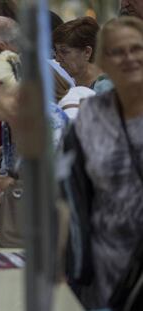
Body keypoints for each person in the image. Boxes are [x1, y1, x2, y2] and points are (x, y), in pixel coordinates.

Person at [68, 16, 143, 309]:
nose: (129, 58)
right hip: (104, 267)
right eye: (116, 51)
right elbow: (70, 193)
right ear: (103, 62)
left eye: (136, 48)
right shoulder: (90, 116)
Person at [53, 17, 109, 92]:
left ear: (87, 52)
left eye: (64, 51)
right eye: (56, 52)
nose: (57, 59)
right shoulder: (69, 88)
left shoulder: (106, 90)